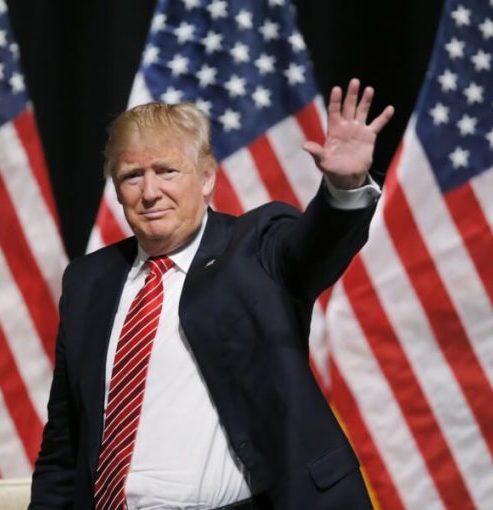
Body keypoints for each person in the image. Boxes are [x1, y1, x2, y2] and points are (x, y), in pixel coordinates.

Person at [30, 79, 394, 510]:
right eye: (132, 176)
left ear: (206, 179)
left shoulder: (256, 247)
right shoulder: (88, 282)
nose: (149, 193)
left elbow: (315, 247)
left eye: (166, 171)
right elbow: (64, 446)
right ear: (116, 189)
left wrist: (344, 190)